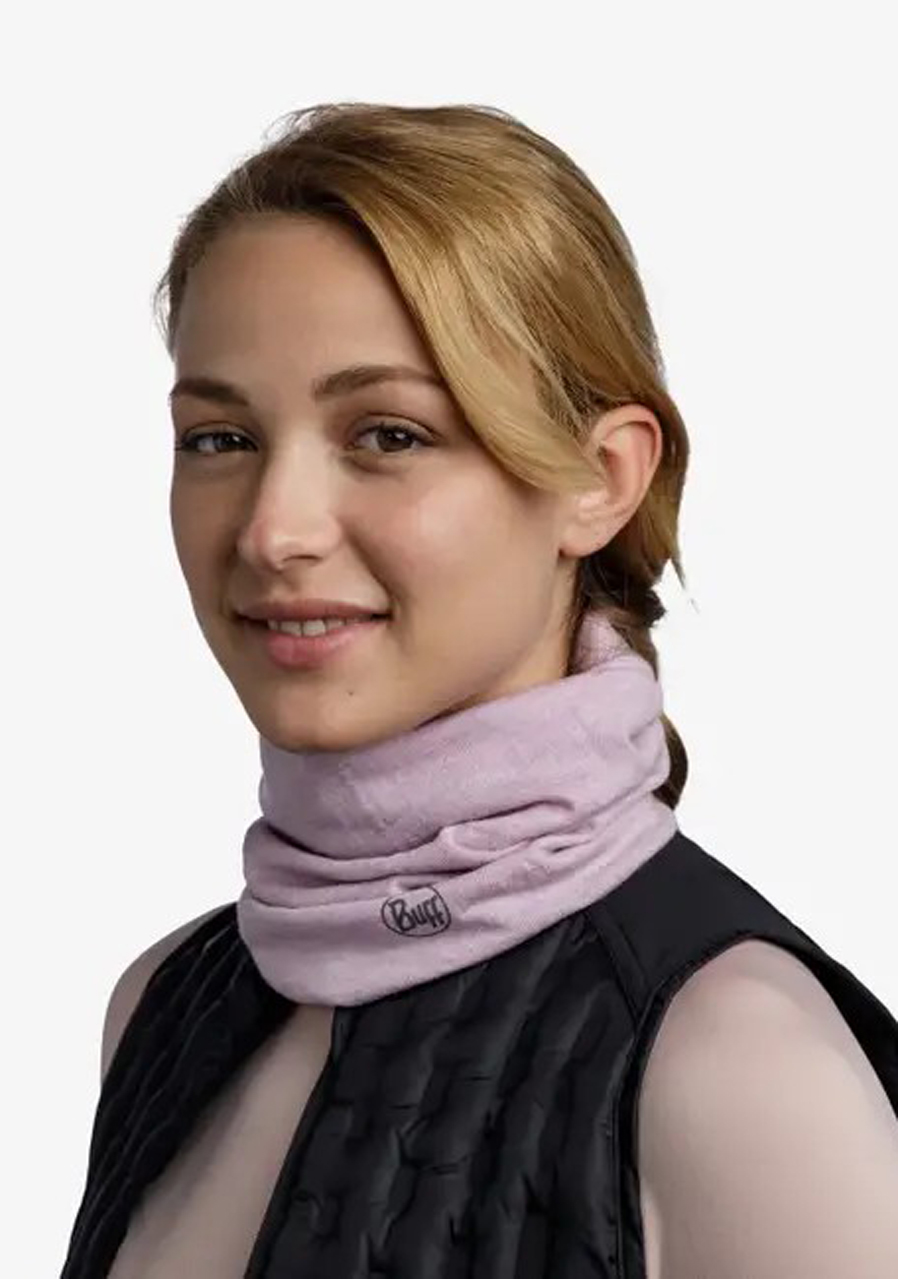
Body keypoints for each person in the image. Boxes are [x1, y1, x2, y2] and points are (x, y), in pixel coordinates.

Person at [60, 102, 898, 1279]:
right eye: (219, 438)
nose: (273, 530)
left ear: (600, 479)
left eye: (389, 435)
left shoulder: (742, 1072)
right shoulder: (163, 1003)